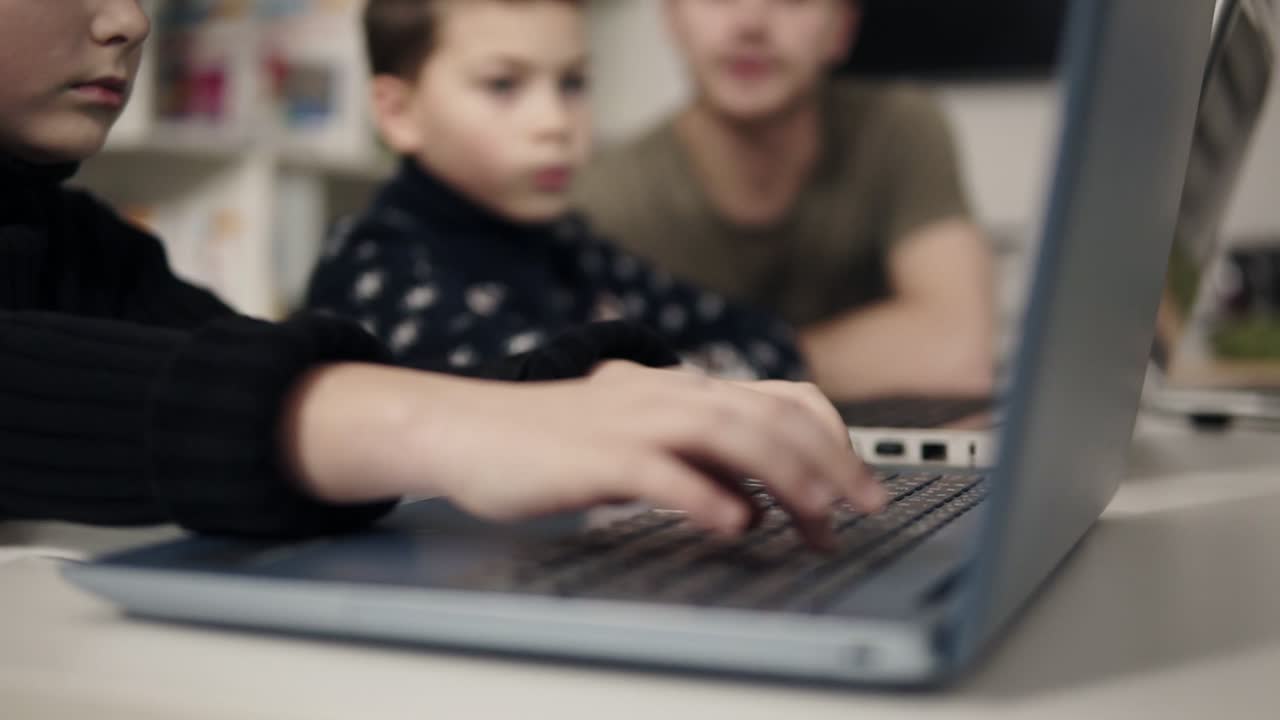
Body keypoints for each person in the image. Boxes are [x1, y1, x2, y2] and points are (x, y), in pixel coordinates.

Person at [0, 0, 884, 548]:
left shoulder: (84, 245)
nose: (130, 20)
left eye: (572, 84)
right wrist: (435, 421)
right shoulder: (386, 254)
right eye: (504, 85)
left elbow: (248, 363)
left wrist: (599, 401)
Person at [306, 0, 805, 383]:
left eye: (573, 83)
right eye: (503, 85)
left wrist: (656, 379)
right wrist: (691, 379)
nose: (556, 123)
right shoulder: (374, 266)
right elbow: (555, 399)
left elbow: (770, 342)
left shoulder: (570, 248)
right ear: (399, 113)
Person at [575, 0, 996, 400]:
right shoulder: (603, 196)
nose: (751, 23)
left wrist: (733, 364)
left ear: (841, 29)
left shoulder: (901, 129)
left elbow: (959, 349)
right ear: (672, 18)